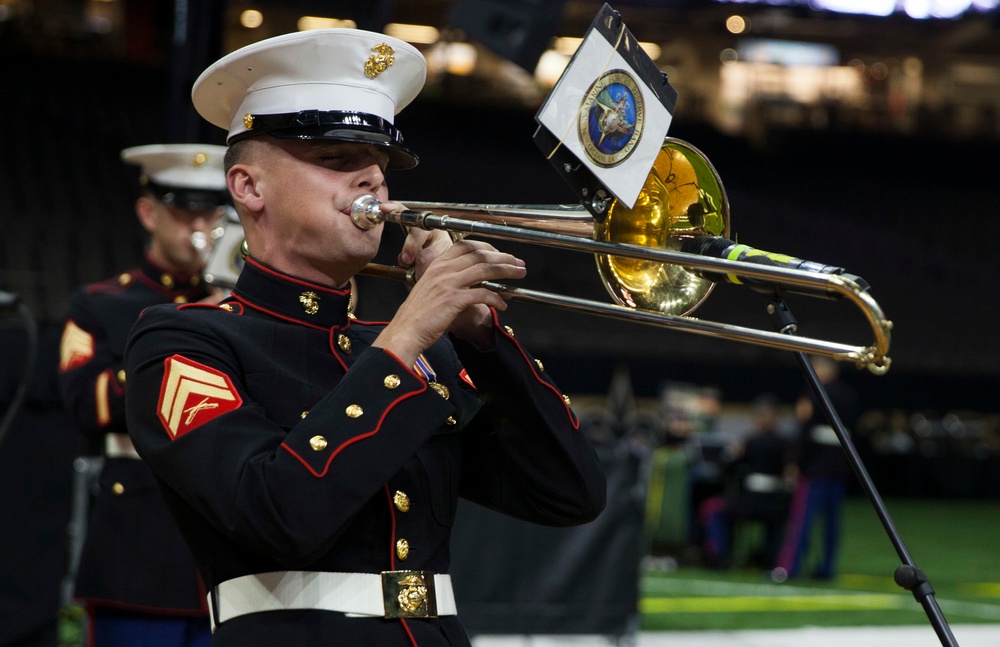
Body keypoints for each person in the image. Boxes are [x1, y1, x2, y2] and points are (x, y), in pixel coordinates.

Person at [122, 28, 607, 647]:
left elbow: (569, 493)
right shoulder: (182, 340)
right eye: (335, 162)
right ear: (249, 187)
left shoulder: (418, 346)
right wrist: (407, 336)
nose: (372, 183)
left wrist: (485, 339)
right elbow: (275, 515)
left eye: (380, 167)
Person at [58, 143, 231, 646]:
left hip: (229, 544)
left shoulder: (242, 309)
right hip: (136, 547)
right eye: (182, 213)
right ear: (147, 212)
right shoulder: (101, 304)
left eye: (210, 213)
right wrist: (189, 332)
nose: (199, 228)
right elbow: (86, 405)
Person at [773, 355, 862, 581]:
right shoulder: (850, 396)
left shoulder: (813, 394)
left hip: (815, 468)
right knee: (832, 525)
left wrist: (795, 462)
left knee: (801, 520)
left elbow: (804, 432)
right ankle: (827, 569)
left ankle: (789, 568)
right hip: (841, 468)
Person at [698, 393, 792, 570]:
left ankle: (720, 556)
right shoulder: (785, 442)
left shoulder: (752, 441)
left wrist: (734, 453)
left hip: (751, 502)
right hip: (776, 503)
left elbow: (727, 468)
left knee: (713, 508)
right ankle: (769, 560)